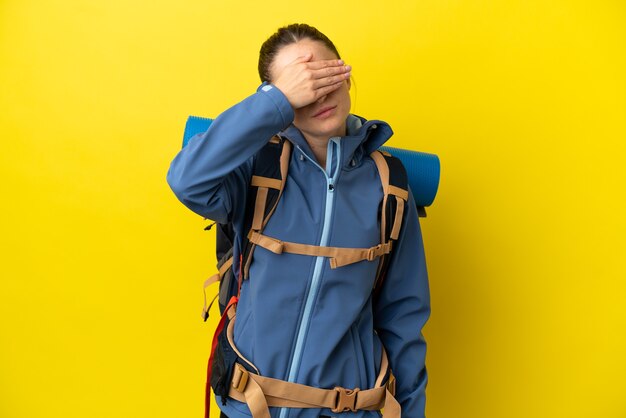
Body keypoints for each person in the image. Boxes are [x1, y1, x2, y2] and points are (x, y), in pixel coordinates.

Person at [167, 23, 431, 418]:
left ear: (345, 72)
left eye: (326, 74)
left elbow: (404, 319)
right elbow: (187, 180)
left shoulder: (391, 185)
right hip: (248, 407)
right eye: (301, 84)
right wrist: (275, 104)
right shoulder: (256, 167)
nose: (319, 93)